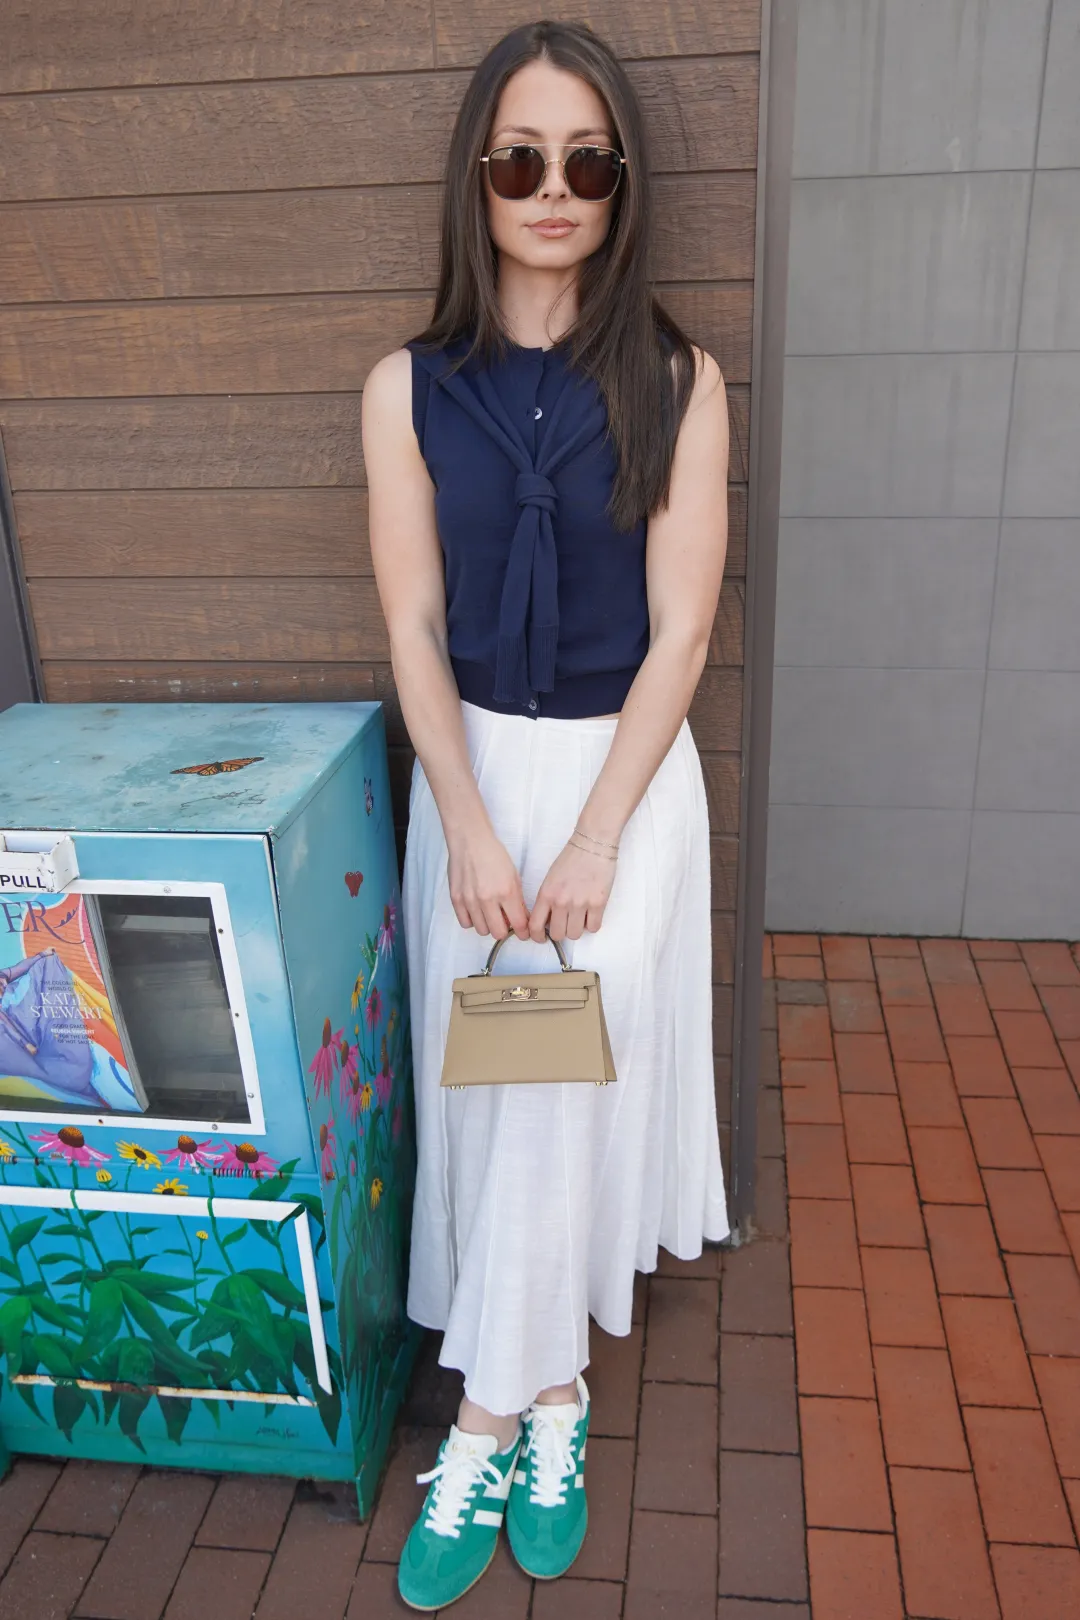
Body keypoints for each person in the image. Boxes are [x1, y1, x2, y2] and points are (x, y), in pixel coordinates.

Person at [362, 18, 730, 1611]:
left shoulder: (680, 380)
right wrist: (464, 819)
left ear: (622, 181)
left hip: (621, 784)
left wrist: (589, 838)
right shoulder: (404, 388)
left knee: (564, 1068)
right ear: (479, 177)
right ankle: (557, 1389)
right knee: (497, 1085)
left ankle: (490, 1419)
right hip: (472, 777)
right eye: (521, 159)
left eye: (588, 160)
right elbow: (412, 624)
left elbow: (685, 632)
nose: (554, 189)